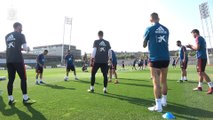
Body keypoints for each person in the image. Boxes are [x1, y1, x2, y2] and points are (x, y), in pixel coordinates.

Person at [143, 13, 170, 112]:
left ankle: (158, 106)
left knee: (156, 83)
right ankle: (164, 101)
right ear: (158, 18)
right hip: (166, 58)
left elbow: (144, 44)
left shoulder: (149, 29)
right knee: (164, 81)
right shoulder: (166, 29)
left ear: (151, 20)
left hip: (155, 59)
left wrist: (146, 41)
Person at [5, 22, 35, 105]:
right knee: (23, 78)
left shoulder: (7, 36)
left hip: (9, 60)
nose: (22, 29)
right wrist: (27, 49)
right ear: (18, 27)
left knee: (11, 80)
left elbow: (13, 47)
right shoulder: (21, 35)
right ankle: (25, 98)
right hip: (18, 59)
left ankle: (10, 99)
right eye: (21, 27)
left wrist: (21, 48)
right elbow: (25, 48)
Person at [187, 29, 213, 94]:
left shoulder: (198, 38)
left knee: (201, 72)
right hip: (202, 57)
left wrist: (191, 46)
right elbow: (198, 48)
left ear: (195, 33)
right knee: (200, 73)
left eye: (192, 34)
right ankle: (199, 87)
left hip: (200, 57)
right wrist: (191, 47)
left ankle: (211, 87)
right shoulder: (202, 38)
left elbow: (197, 48)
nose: (192, 35)